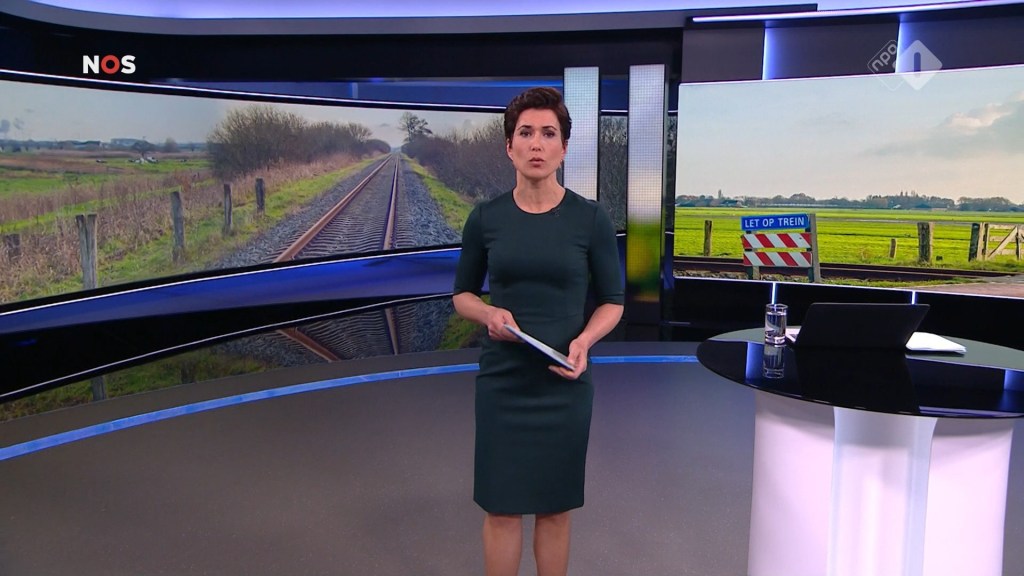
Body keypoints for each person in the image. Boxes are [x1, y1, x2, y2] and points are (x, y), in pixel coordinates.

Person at [452, 87, 624, 576]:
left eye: (548, 134)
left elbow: (613, 301)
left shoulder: (590, 219)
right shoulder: (486, 218)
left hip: (563, 383)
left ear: (563, 148)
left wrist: (584, 341)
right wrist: (489, 314)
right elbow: (462, 295)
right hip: (503, 381)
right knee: (501, 509)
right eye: (525, 133)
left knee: (554, 509)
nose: (536, 144)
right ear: (509, 146)